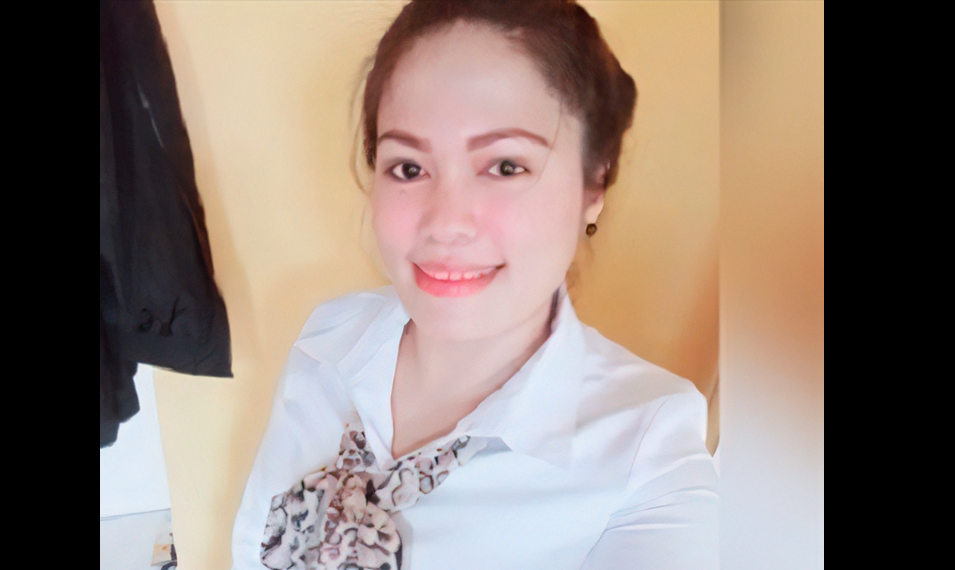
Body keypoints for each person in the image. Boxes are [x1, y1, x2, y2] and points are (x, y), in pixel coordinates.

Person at [230, 1, 714, 568]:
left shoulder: (649, 455)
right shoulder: (329, 340)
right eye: (409, 168)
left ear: (594, 183)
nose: (446, 223)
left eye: (506, 166)